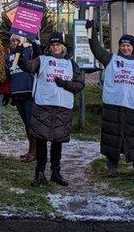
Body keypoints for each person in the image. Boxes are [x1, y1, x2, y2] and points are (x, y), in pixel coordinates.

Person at [88, 25, 134, 178]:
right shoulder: (111, 59)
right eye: (123, 45)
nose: (126, 48)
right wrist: (91, 33)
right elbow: (97, 50)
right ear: (119, 47)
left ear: (133, 47)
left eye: (128, 45)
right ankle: (112, 166)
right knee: (112, 138)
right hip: (114, 106)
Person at [20, 32, 85, 187]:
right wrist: (19, 56)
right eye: (52, 45)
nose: (55, 47)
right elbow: (28, 67)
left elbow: (80, 85)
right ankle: (40, 173)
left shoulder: (71, 64)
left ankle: (55, 172)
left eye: (58, 45)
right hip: (44, 106)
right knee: (41, 141)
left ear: (62, 46)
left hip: (62, 108)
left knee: (58, 142)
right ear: (49, 48)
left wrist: (65, 84)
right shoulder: (42, 60)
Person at [6, 34, 39, 162]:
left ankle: (34, 151)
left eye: (17, 40)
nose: (15, 42)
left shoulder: (28, 51)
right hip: (17, 93)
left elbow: (37, 57)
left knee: (31, 123)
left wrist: (34, 42)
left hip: (29, 92)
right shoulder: (9, 55)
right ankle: (31, 149)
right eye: (12, 40)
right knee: (26, 123)